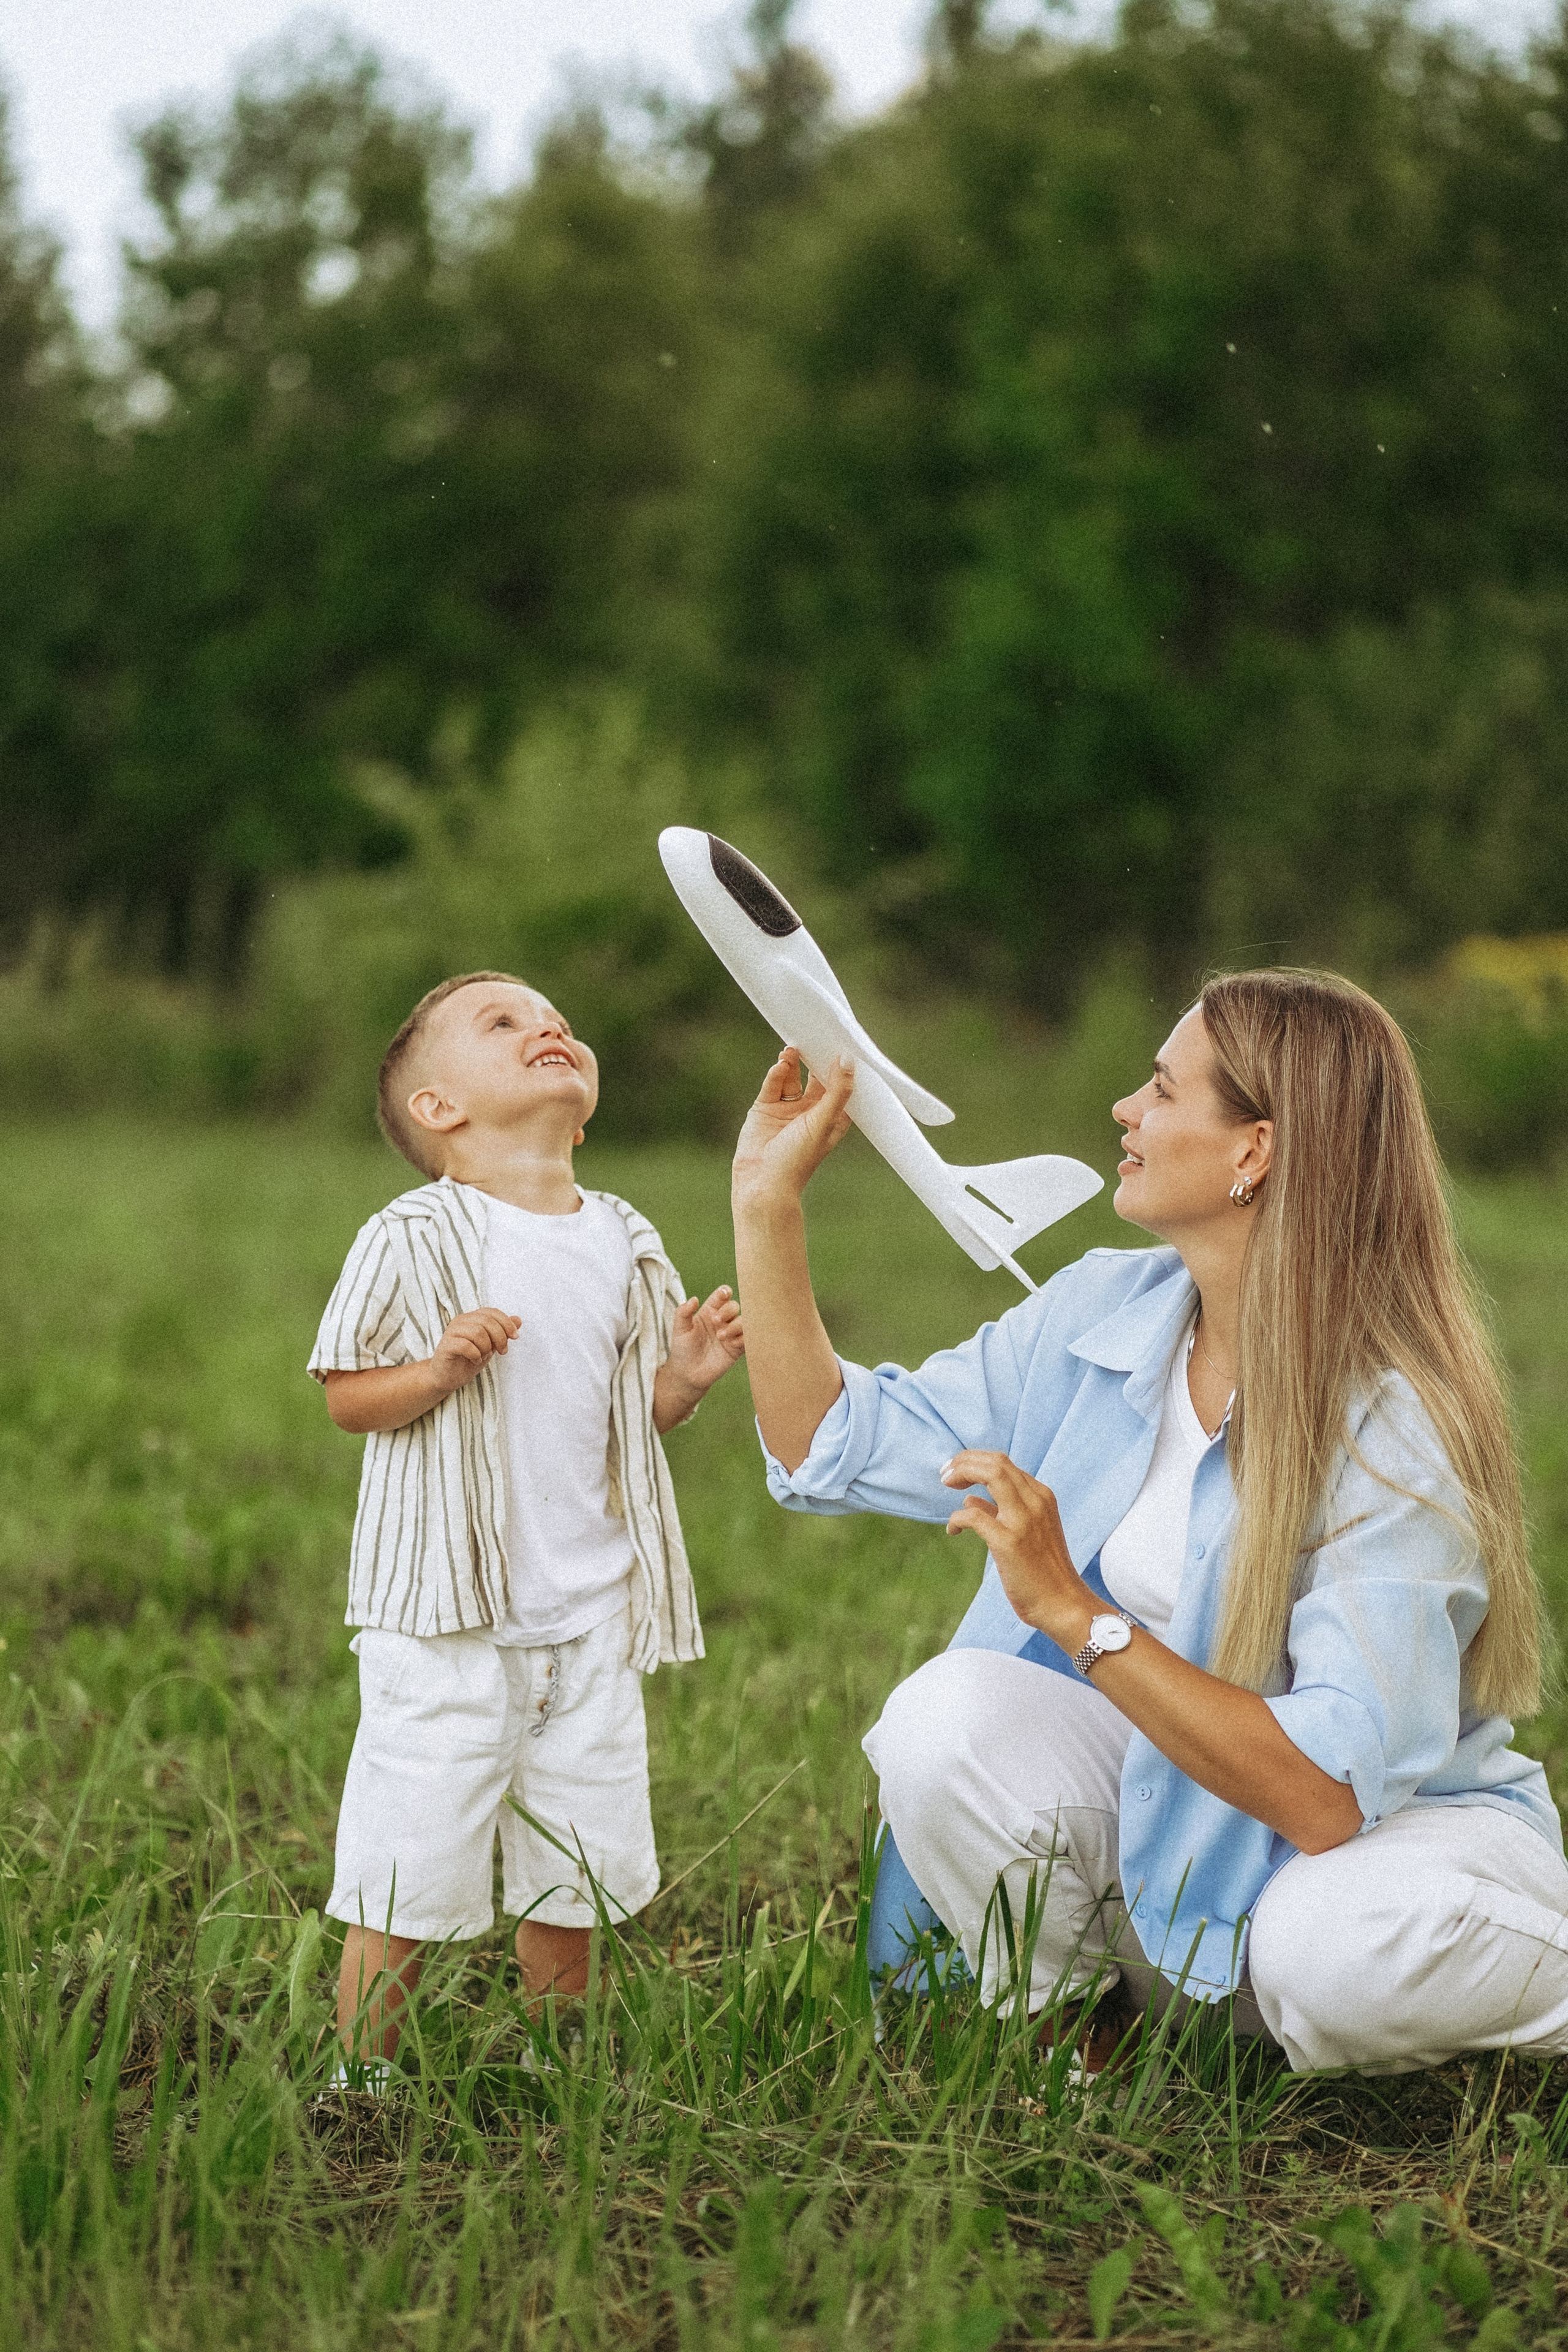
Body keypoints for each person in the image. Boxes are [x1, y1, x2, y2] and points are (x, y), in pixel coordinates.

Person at [732, 969, 1568, 2074]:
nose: (1126, 1109)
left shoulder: (1391, 1423)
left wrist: (1079, 1616)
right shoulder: (1104, 1310)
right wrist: (766, 1209)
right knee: (945, 1717)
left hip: (1386, 1848)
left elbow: (1327, 1799)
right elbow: (828, 1440)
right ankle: (1081, 2044)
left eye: (1163, 1090)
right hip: (1197, 1824)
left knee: (1329, 1951)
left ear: (1255, 1150)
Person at [311, 971, 744, 2083]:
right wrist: (436, 1368)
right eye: (502, 1022)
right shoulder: (412, 1234)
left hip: (588, 1616)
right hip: (446, 1619)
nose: (548, 1026)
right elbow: (349, 1396)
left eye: (558, 1019)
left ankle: (562, 2066)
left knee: (577, 1858)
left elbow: (629, 1420)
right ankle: (362, 2078)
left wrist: (683, 1381)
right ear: (439, 1108)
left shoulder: (622, 1235)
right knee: (409, 1855)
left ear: (582, 1109)